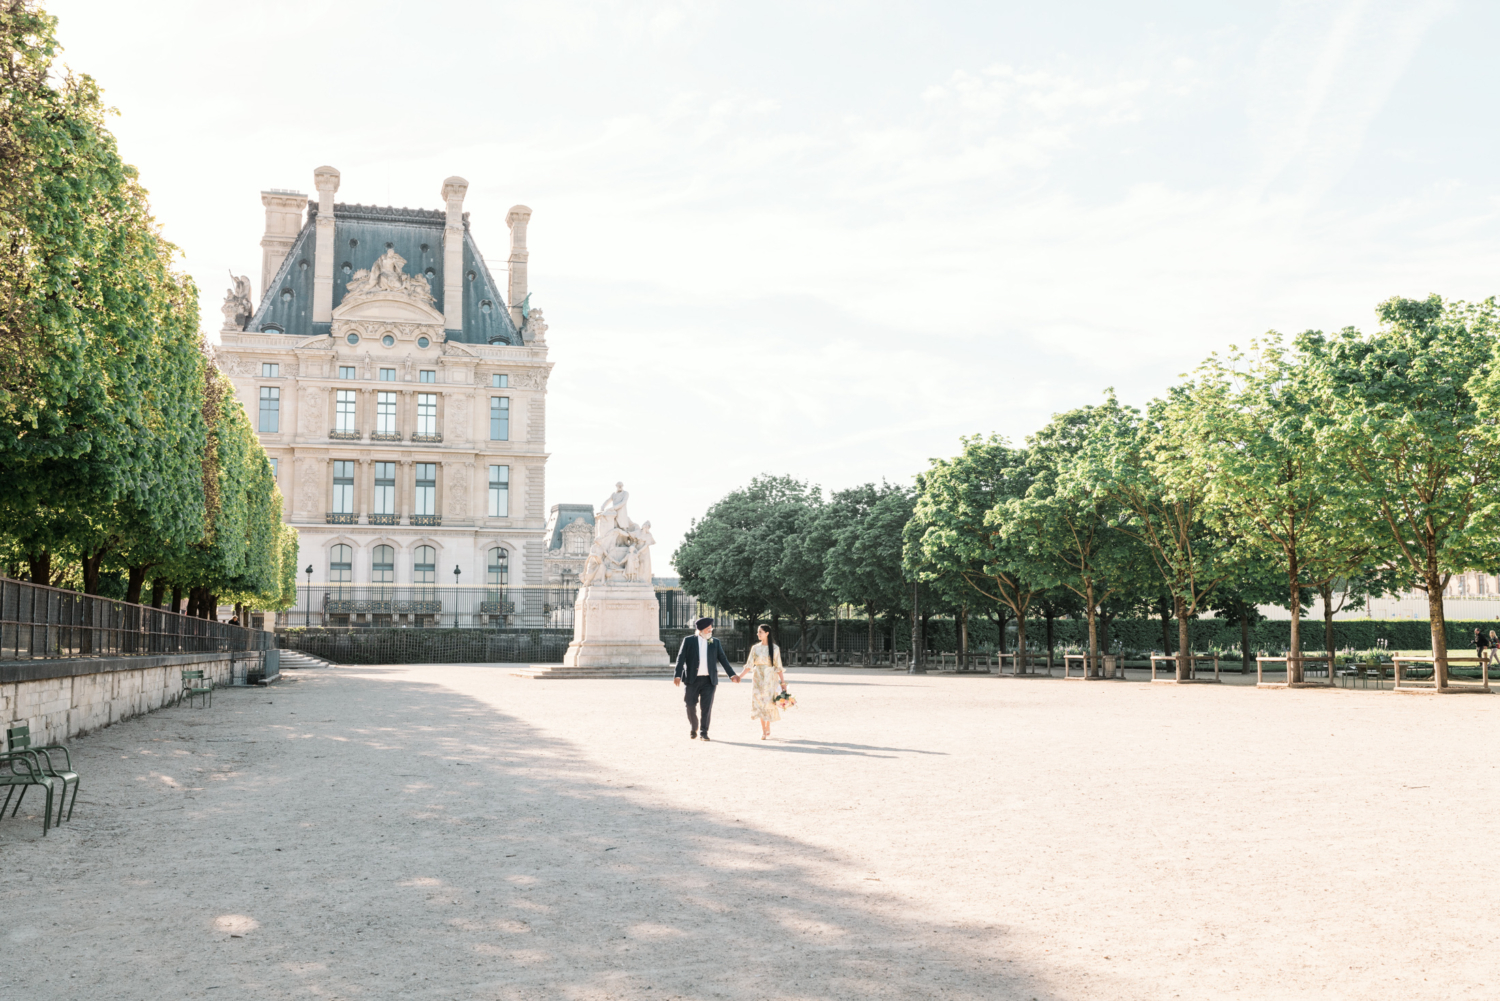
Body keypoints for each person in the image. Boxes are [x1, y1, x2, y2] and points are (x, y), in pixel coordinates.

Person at [673, 617, 738, 740]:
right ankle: (694, 726)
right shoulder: (688, 641)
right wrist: (677, 674)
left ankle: (704, 732)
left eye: (711, 629)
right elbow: (680, 658)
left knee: (706, 707)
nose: (710, 631)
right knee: (690, 705)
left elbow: (723, 659)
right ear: (701, 630)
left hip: (709, 680)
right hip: (692, 680)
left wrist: (732, 674)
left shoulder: (715, 642)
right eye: (708, 629)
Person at [740, 624, 786, 740]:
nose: (758, 634)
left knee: (769, 702)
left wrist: (783, 683)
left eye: (760, 632)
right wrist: (739, 677)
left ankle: (768, 725)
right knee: (759, 702)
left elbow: (778, 666)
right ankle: (763, 729)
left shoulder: (775, 648)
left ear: (767, 633)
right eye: (758, 632)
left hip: (770, 678)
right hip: (757, 677)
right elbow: (749, 665)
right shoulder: (755, 648)